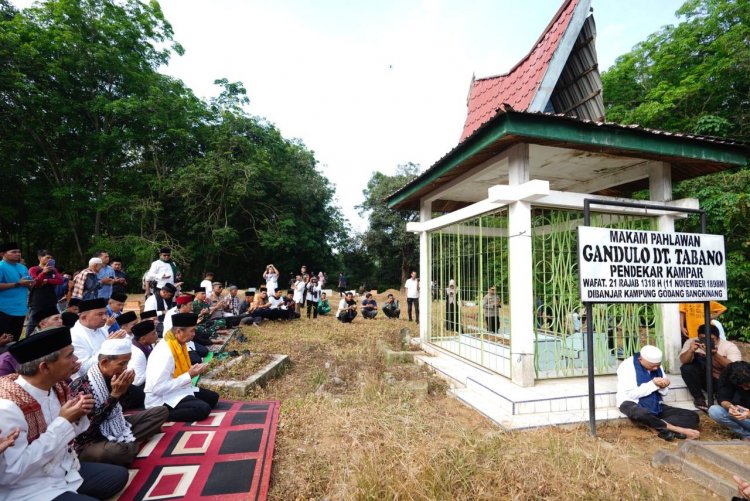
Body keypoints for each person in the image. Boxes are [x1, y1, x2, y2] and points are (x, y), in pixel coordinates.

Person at [0, 326, 129, 499]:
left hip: (62, 468)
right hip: (28, 487)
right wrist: (63, 422)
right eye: (69, 355)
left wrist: (79, 415)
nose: (76, 360)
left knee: (118, 476)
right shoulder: (8, 407)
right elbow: (12, 472)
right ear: (45, 367)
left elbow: (72, 436)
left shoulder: (57, 387)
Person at [70, 338, 168, 466]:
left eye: (127, 363)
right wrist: (115, 395)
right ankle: (127, 444)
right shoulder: (82, 387)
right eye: (122, 364)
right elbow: (89, 429)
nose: (125, 368)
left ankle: (126, 442)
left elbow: (120, 411)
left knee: (160, 412)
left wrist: (124, 390)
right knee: (120, 453)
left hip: (116, 425)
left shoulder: (114, 377)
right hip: (90, 441)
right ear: (104, 362)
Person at [144, 312, 219, 422]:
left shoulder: (179, 344)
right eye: (192, 331)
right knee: (203, 409)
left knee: (213, 398)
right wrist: (189, 375)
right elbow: (157, 389)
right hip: (161, 398)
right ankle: (159, 414)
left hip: (178, 389)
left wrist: (192, 372)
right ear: (179, 331)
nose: (194, 334)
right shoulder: (165, 352)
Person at [616, 345, 700, 441]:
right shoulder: (627, 366)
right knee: (641, 413)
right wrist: (653, 384)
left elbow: (664, 393)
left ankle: (655, 426)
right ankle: (676, 430)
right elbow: (631, 394)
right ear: (640, 360)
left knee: (693, 416)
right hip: (631, 403)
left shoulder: (656, 366)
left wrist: (663, 386)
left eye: (658, 365)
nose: (656, 368)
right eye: (652, 366)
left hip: (655, 405)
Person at [679, 323, 741, 411]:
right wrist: (691, 350)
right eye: (703, 339)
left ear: (718, 338)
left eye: (711, 339)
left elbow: (735, 368)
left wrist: (714, 354)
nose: (706, 341)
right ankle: (699, 398)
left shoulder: (729, 346)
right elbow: (683, 361)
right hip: (703, 377)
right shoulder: (692, 342)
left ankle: (719, 395)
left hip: (721, 380)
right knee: (687, 368)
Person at [70, 298, 128, 379]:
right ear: (83, 317)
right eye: (100, 314)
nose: (105, 318)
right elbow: (82, 370)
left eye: (106, 313)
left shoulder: (101, 329)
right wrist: (108, 347)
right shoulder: (75, 336)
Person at [708, 361, 750, 440]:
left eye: (747, 384)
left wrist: (749, 414)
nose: (745, 388)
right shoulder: (727, 375)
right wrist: (730, 407)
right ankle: (746, 435)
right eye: (742, 386)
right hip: (743, 415)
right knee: (714, 410)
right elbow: (723, 397)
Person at [0, 242, 33, 342]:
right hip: (4, 310)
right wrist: (17, 284)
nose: (18, 254)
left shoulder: (22, 267)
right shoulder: (1, 266)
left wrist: (30, 284)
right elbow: (19, 284)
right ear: (2, 254)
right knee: (3, 342)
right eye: (14, 252)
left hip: (20, 310)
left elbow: (29, 285)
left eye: (19, 252)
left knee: (14, 342)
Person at [26, 249, 64, 335]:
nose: (49, 260)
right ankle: (27, 341)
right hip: (37, 300)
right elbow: (35, 282)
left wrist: (47, 280)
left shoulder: (53, 270)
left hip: (51, 300)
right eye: (47, 257)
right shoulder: (33, 269)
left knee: (54, 320)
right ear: (40, 258)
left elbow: (60, 281)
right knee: (33, 323)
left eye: (51, 258)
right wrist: (43, 272)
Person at [128, 320, 157, 390]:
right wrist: (156, 368)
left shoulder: (147, 344)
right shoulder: (138, 354)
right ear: (143, 339)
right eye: (153, 334)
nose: (156, 335)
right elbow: (137, 381)